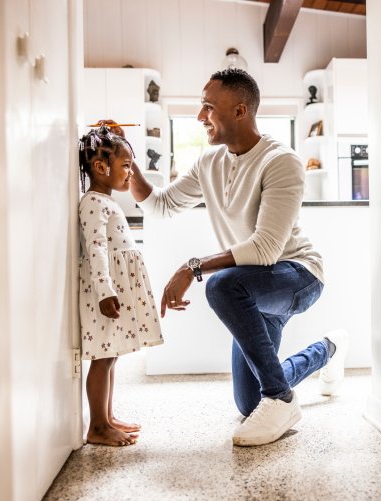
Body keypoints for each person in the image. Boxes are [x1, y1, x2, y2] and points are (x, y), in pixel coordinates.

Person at [128, 69, 349, 447]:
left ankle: (281, 400)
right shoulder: (209, 163)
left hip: (296, 276)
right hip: (253, 285)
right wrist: (129, 163)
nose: (200, 117)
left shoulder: (281, 161)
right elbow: (161, 204)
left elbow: (265, 249)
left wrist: (191, 267)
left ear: (240, 111)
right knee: (248, 403)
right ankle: (329, 348)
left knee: (221, 285)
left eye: (208, 107)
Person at [77, 124, 164, 447]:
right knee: (103, 357)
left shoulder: (106, 201)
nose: (130, 173)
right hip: (105, 291)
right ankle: (96, 426)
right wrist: (106, 291)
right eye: (126, 166)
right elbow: (96, 248)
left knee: (110, 355)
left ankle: (107, 416)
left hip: (115, 285)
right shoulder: (93, 203)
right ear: (101, 167)